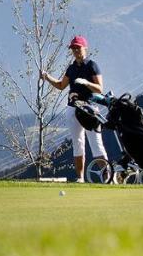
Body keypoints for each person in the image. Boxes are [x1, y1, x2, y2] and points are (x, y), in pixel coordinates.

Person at [40, 35, 109, 183]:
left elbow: (99, 89)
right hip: (73, 108)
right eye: (73, 48)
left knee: (96, 143)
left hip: (90, 108)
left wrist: (85, 83)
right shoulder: (71, 68)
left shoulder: (92, 65)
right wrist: (47, 77)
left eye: (78, 47)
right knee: (77, 144)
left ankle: (106, 177)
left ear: (85, 48)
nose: (76, 50)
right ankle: (80, 178)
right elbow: (61, 85)